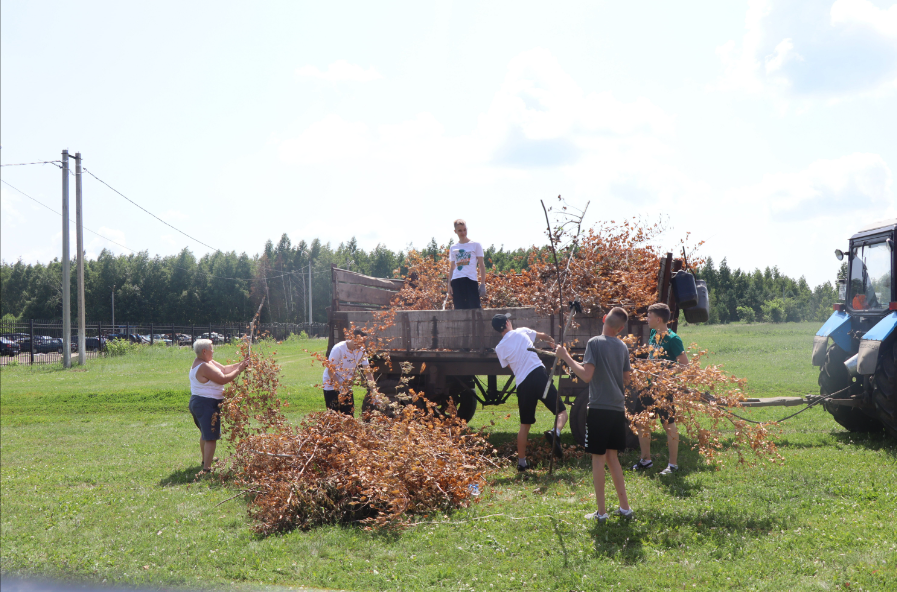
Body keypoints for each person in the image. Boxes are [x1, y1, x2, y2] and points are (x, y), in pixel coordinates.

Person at [556, 307, 634, 522]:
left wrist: (566, 358)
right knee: (613, 458)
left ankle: (601, 513)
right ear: (619, 329)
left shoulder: (594, 342)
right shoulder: (622, 347)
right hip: (617, 408)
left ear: (603, 319)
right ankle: (625, 508)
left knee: (598, 459)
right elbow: (627, 379)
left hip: (599, 408)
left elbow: (587, 376)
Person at [492, 313, 567, 470]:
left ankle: (521, 463)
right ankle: (555, 432)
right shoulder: (521, 331)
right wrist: (552, 343)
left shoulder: (499, 348)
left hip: (522, 383)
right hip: (538, 374)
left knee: (525, 425)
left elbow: (512, 368)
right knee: (562, 412)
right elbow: (543, 336)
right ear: (507, 323)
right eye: (509, 320)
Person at [631, 302, 687, 475]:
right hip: (648, 387)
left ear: (659, 319)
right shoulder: (654, 333)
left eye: (649, 316)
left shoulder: (673, 339)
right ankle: (646, 460)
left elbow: (685, 365)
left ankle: (673, 465)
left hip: (663, 390)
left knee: (668, 425)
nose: (647, 319)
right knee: (641, 422)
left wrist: (666, 374)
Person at [189, 339, 249, 475]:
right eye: (211, 348)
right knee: (210, 437)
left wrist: (242, 363)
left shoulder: (204, 362)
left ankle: (206, 460)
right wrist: (240, 370)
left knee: (205, 434)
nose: (213, 350)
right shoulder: (204, 367)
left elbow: (224, 369)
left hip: (200, 403)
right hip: (205, 404)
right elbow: (223, 378)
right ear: (204, 351)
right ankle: (206, 470)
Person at [323, 329, 375, 415]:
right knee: (333, 416)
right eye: (359, 342)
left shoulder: (361, 351)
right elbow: (330, 370)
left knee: (349, 416)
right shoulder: (339, 348)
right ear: (353, 339)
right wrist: (340, 388)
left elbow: (368, 372)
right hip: (331, 385)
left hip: (346, 386)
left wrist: (374, 391)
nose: (361, 345)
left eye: (363, 342)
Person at [447, 219, 487, 309]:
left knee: (475, 308)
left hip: (471, 280)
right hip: (457, 281)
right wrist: (449, 285)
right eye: (460, 230)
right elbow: (452, 267)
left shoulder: (476, 245)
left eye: (464, 229)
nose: (463, 232)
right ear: (455, 231)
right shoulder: (453, 247)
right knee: (459, 310)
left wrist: (483, 284)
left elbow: (481, 265)